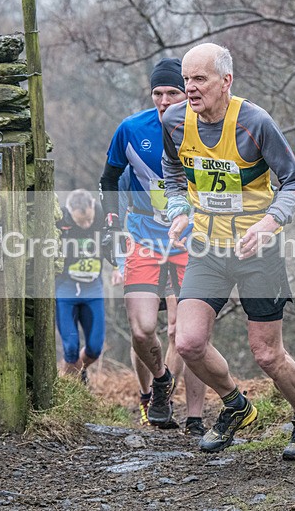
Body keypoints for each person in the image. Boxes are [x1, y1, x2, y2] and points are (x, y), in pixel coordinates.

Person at [161, 43, 295, 460]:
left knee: (268, 354)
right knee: (188, 342)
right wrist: (179, 210)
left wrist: (270, 223)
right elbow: (173, 172)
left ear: (226, 81)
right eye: (185, 80)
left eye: (200, 79)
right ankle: (236, 405)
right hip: (207, 248)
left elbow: (294, 180)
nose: (190, 89)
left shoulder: (255, 122)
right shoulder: (175, 120)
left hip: (257, 251)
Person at [100, 58, 207, 435]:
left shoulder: (204, 128)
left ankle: (195, 417)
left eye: (172, 92)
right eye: (157, 93)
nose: (164, 100)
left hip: (191, 239)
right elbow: (108, 179)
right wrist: (110, 224)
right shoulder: (130, 129)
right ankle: (159, 383)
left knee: (187, 333)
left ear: (187, 93)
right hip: (142, 235)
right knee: (144, 329)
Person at [55, 189, 106, 383]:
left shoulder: (102, 215)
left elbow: (117, 241)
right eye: (80, 222)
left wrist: (119, 267)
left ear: (93, 205)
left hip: (93, 289)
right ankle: (73, 387)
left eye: (88, 220)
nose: (86, 225)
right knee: (70, 348)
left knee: (95, 347)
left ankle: (78, 371)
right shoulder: (60, 220)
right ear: (69, 212)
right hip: (66, 289)